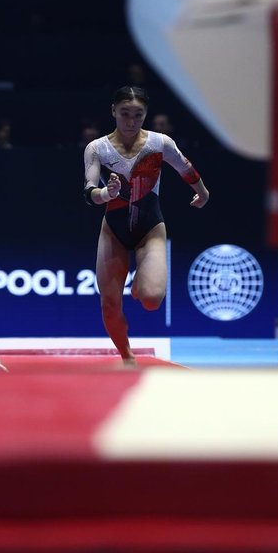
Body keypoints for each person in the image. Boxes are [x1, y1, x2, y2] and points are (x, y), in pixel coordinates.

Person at [83, 85, 210, 364]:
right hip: (113, 231)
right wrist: (107, 194)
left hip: (150, 228)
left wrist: (202, 192)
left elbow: (185, 168)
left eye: (138, 115)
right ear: (113, 111)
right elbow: (89, 190)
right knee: (109, 304)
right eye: (125, 113)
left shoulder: (159, 143)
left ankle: (140, 281)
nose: (130, 121)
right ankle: (127, 356)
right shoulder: (97, 149)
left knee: (151, 300)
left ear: (146, 114)